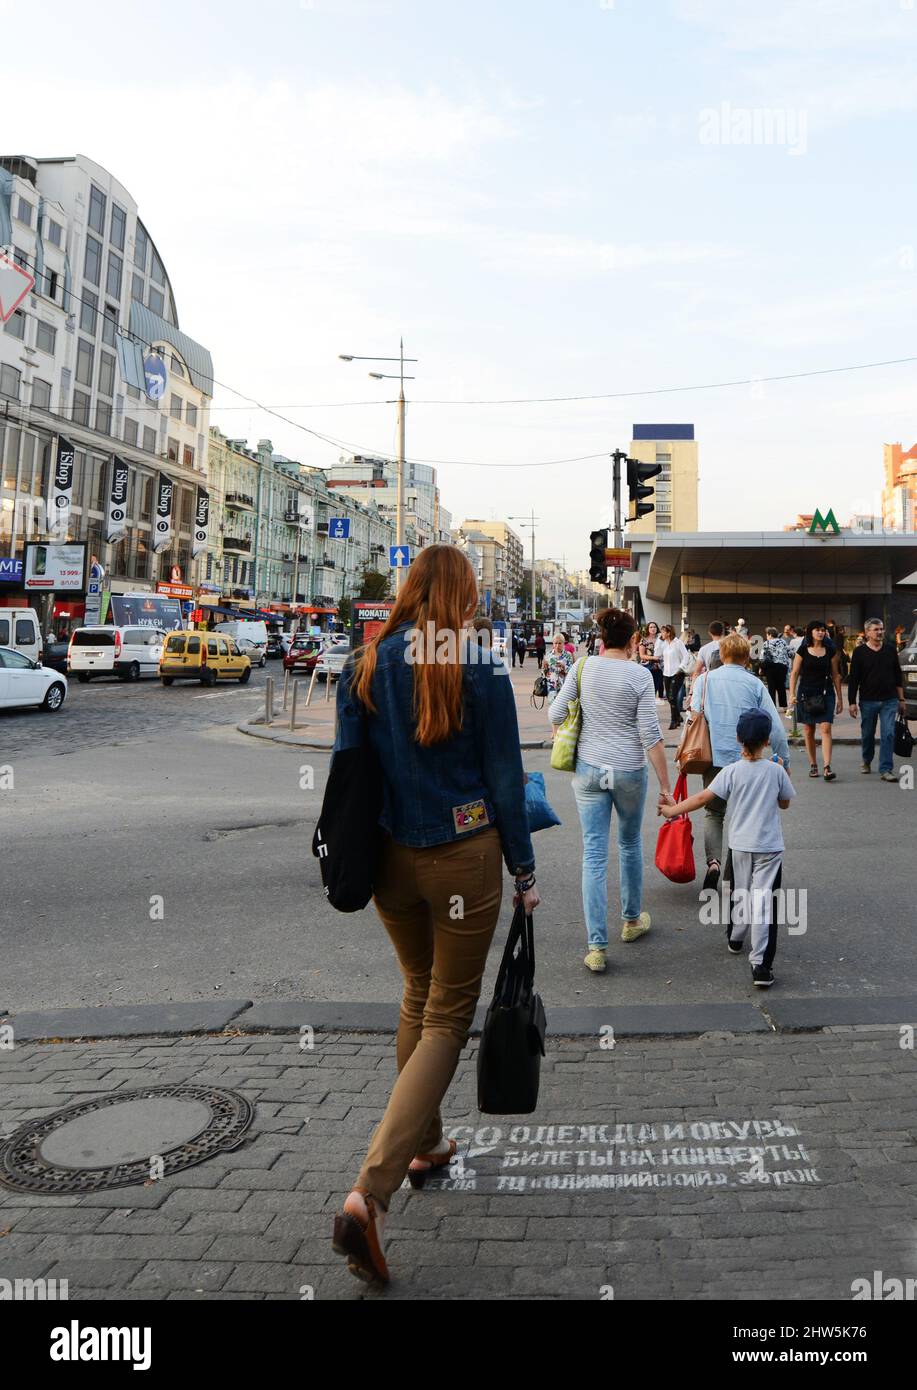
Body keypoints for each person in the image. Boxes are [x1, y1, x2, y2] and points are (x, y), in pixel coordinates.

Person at [330, 544, 539, 1285]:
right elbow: (506, 780)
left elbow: (349, 775)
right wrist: (523, 867)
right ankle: (369, 1192)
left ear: (409, 590)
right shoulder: (477, 664)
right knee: (449, 1013)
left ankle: (428, 1144)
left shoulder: (366, 662)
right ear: (462, 596)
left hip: (389, 860)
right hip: (464, 851)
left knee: (417, 993)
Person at [549, 607, 672, 973]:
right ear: (634, 640)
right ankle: (632, 921)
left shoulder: (583, 668)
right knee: (630, 843)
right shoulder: (639, 676)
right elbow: (651, 736)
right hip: (629, 770)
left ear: (601, 638)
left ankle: (596, 946)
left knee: (594, 854)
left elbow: (556, 713)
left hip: (589, 769)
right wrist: (666, 786)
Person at [659, 708, 794, 988]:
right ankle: (761, 965)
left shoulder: (731, 772)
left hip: (741, 844)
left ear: (737, 739)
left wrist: (673, 811)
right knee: (764, 902)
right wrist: (785, 770)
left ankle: (735, 936)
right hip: (769, 846)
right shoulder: (776, 771)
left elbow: (701, 798)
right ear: (767, 741)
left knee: (740, 892)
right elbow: (785, 803)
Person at [686, 632, 790, 892]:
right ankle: (733, 874)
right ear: (747, 657)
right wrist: (783, 758)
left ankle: (713, 863)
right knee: (741, 815)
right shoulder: (754, 684)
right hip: (747, 759)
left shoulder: (705, 680)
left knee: (714, 813)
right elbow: (774, 725)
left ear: (721, 655)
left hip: (713, 757)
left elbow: (694, 717)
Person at [847, 617, 907, 782]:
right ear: (867, 633)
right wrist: (851, 702)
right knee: (867, 734)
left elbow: (897, 676)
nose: (880, 632)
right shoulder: (859, 653)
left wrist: (901, 700)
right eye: (876, 629)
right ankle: (866, 760)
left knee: (888, 734)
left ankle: (886, 769)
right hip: (868, 701)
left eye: (881, 629)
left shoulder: (890, 650)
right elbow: (853, 679)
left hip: (890, 700)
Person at [788, 620, 844, 781]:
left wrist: (840, 699)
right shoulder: (803, 650)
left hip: (826, 693)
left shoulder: (830, 650)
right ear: (810, 632)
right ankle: (813, 764)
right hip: (806, 693)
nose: (821, 633)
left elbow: (835, 675)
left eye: (823, 630)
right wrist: (791, 694)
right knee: (808, 730)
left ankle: (827, 767)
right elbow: (795, 672)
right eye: (817, 630)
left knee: (826, 728)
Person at [654, 624, 691, 729]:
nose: (662, 634)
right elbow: (657, 654)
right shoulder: (664, 643)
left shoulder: (678, 643)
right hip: (666, 673)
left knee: (671, 696)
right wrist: (659, 640)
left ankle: (674, 720)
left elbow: (686, 656)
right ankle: (678, 716)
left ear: (669, 633)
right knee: (670, 698)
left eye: (663, 632)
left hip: (677, 672)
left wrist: (681, 667)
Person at [761, 626, 791, 709]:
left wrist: (761, 667)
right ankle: (784, 706)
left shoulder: (766, 643)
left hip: (771, 667)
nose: (767, 636)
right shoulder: (783, 642)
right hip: (782, 667)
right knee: (781, 687)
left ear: (770, 635)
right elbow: (790, 653)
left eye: (767, 634)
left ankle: (773, 707)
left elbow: (762, 657)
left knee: (771, 687)